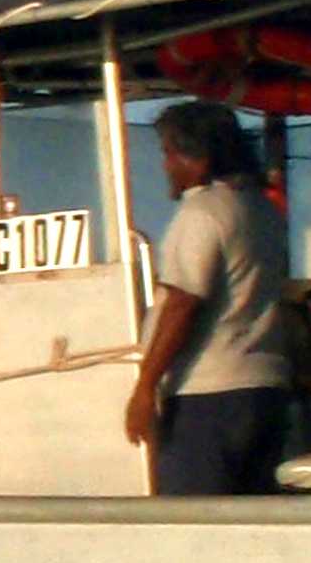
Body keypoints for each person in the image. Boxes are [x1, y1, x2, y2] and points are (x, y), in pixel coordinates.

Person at [124, 100, 295, 495]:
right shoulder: (261, 209)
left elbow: (183, 304)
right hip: (265, 389)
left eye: (169, 153)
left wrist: (145, 387)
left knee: (195, 524)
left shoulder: (201, 213)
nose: (165, 165)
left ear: (197, 158)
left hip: (209, 395)